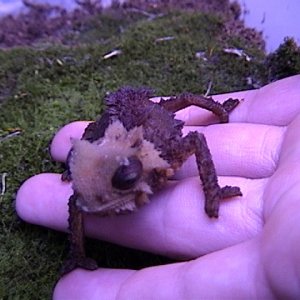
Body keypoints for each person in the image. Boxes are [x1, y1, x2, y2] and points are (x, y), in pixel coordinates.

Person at [16, 75, 300, 299]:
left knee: (185, 101)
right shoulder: (96, 171)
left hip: (143, 131)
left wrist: (212, 189)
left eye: (125, 179)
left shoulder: (166, 155)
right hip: (115, 139)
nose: (91, 199)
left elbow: (196, 139)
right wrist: (77, 252)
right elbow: (77, 203)